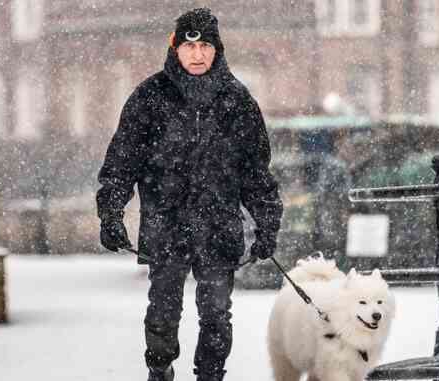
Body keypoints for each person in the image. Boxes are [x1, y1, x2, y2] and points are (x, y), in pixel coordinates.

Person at [95, 8, 283, 381]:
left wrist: (267, 225)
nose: (198, 54)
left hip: (219, 226)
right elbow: (122, 161)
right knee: (163, 313)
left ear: (217, 50)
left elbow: (256, 172)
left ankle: (210, 376)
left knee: (216, 313)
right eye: (189, 45)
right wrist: (111, 214)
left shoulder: (237, 100)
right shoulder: (149, 97)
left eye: (206, 46)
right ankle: (160, 369)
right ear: (175, 48)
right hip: (166, 225)